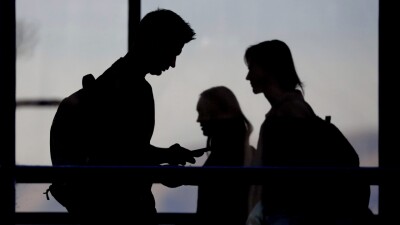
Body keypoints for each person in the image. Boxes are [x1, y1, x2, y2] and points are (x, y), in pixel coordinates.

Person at [49, 9, 197, 225]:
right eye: (172, 51)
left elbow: (121, 150)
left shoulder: (104, 89)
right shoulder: (136, 91)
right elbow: (121, 157)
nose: (173, 63)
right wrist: (164, 167)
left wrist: (165, 155)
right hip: (125, 211)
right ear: (154, 42)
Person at [243, 39, 373, 225]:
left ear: (267, 69)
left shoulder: (282, 121)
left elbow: (277, 185)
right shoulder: (301, 115)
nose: (248, 77)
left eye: (252, 68)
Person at [193, 86, 255, 225]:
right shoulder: (237, 149)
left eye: (203, 113)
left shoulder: (224, 154)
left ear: (218, 113)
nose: (198, 120)